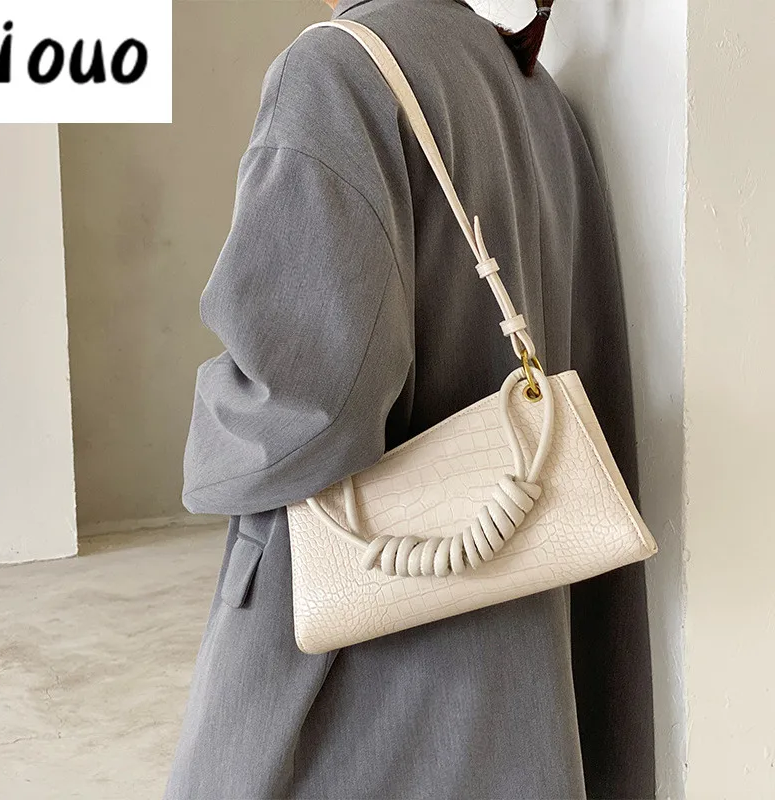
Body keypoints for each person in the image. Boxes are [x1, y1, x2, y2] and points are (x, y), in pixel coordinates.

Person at [164, 0, 655, 797]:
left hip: (376, 655)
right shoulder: (534, 91)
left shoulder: (337, 72)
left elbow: (302, 414)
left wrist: (209, 429)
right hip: (520, 652)